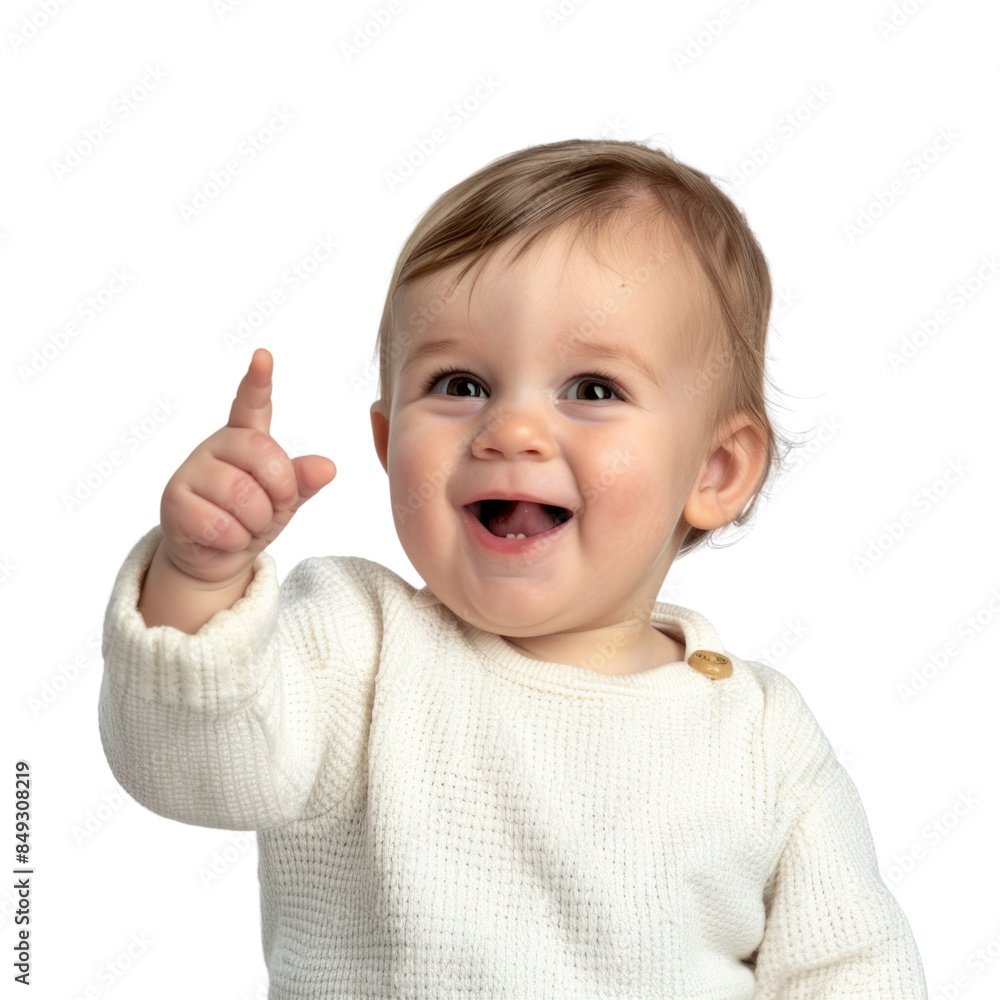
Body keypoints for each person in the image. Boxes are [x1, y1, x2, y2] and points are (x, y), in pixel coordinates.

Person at [99, 138, 928, 998]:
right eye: (459, 384)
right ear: (388, 445)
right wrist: (199, 583)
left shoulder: (761, 735)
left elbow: (853, 968)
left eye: (593, 389)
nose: (511, 430)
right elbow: (190, 768)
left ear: (714, 472)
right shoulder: (356, 649)